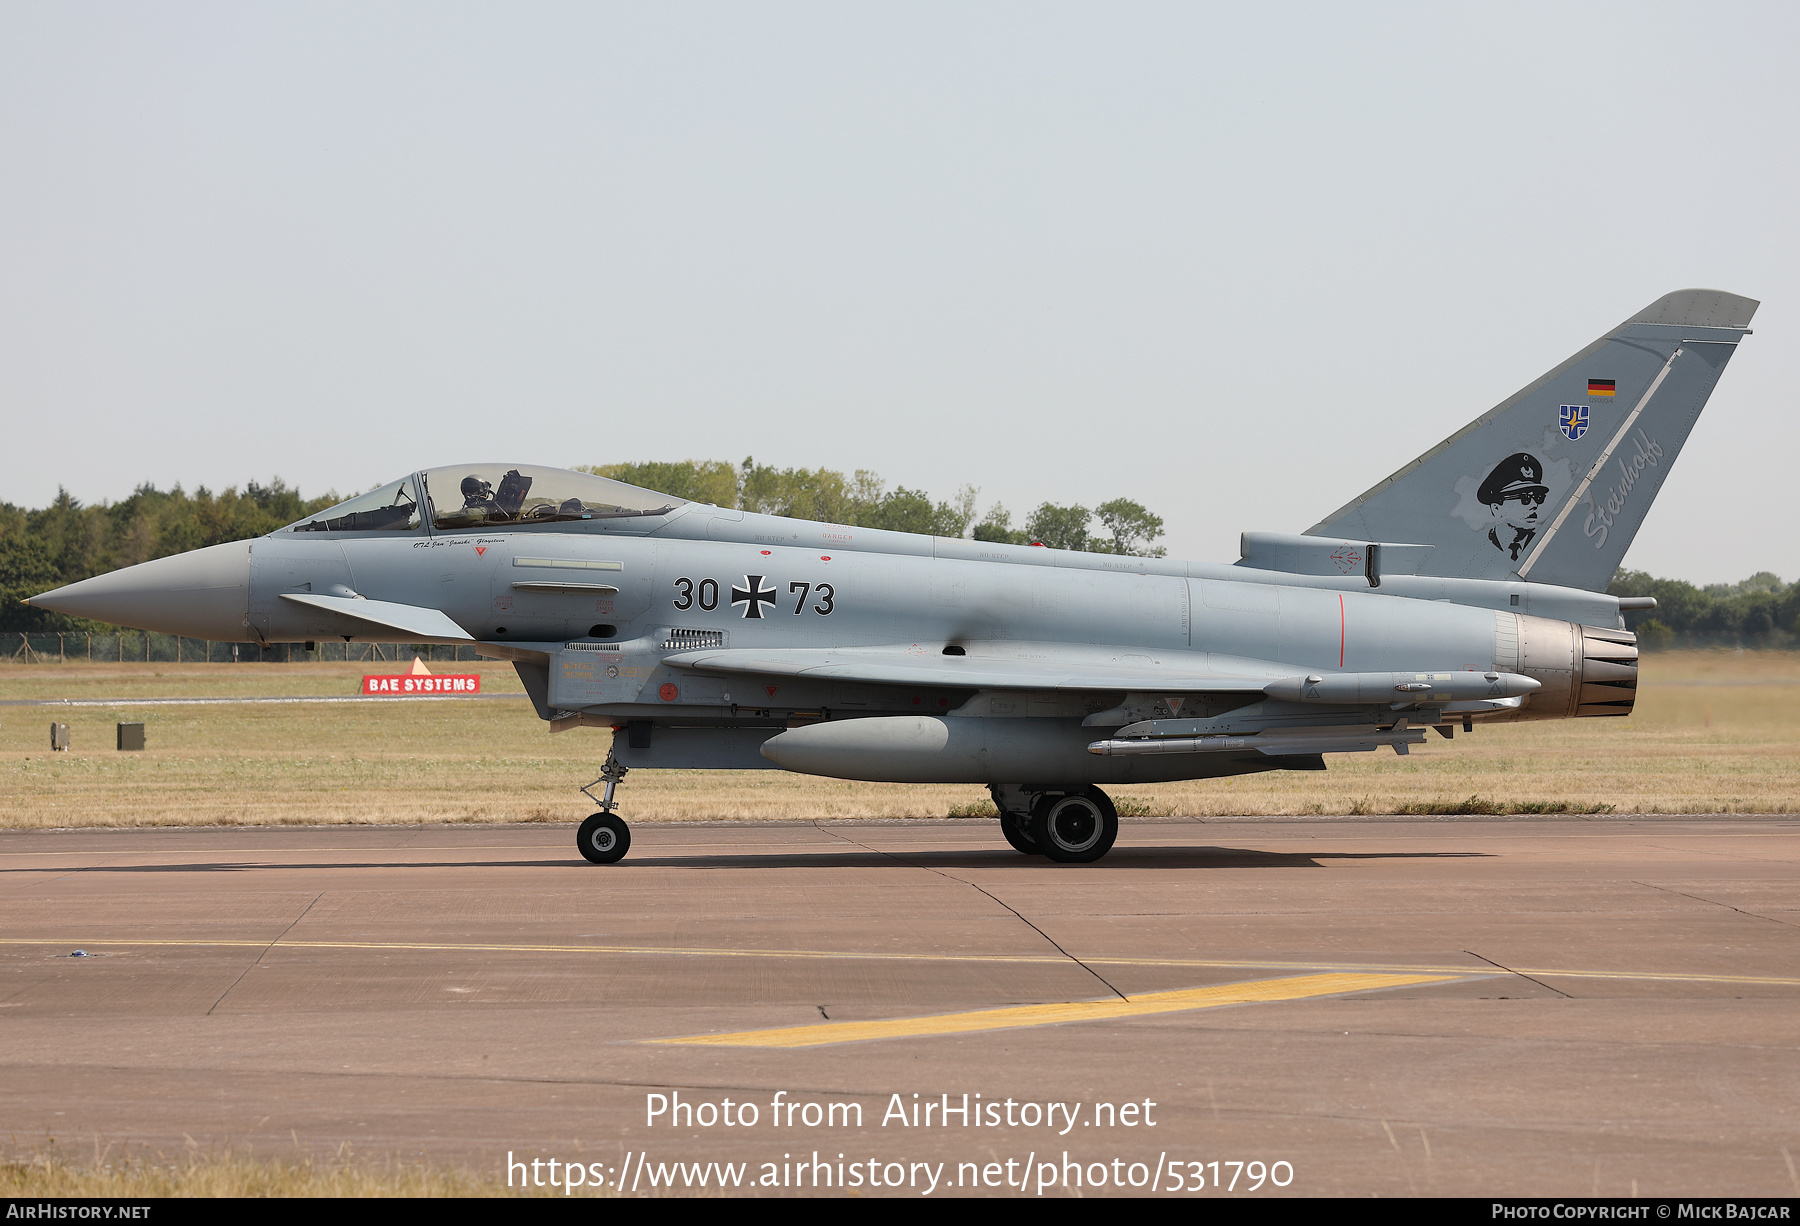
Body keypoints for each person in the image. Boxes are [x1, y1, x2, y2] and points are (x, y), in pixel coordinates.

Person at [1476, 452, 1549, 562]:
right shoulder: (1478, 548)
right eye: (1525, 498)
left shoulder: (1543, 550)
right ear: (1496, 508)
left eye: (1538, 497)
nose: (1535, 505)